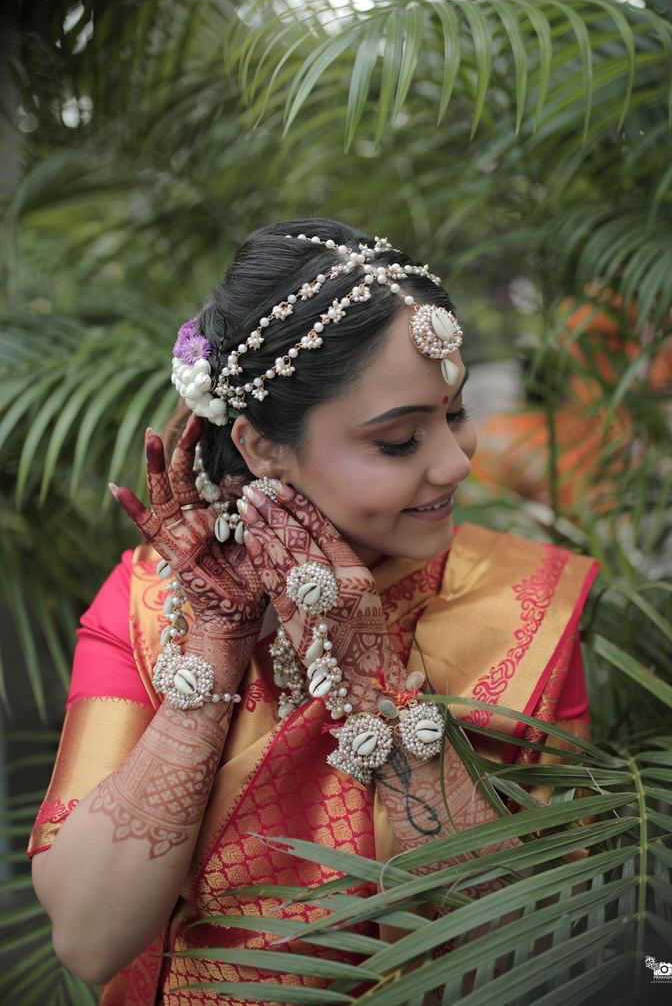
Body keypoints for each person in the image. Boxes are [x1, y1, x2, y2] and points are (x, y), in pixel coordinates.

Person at [28, 219, 599, 1004]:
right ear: (262, 447)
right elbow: (90, 939)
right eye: (400, 440)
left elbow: (544, 941)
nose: (457, 460)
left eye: (454, 412)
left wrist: (375, 683)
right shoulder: (152, 605)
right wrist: (216, 650)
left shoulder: (523, 600)